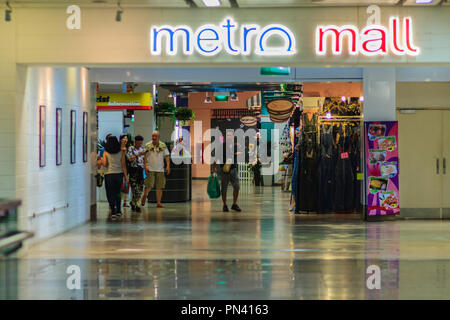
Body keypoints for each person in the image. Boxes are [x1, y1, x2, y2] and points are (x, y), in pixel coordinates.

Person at [97, 135, 128, 220]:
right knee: (118, 193)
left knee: (110, 193)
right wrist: (126, 177)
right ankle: (118, 210)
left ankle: (113, 210)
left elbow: (105, 164)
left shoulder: (106, 152)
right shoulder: (121, 152)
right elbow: (123, 165)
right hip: (119, 174)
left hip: (109, 175)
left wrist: (99, 159)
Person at [213, 131, 242, 212]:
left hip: (233, 169)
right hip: (224, 170)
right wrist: (213, 169)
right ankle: (224, 205)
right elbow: (216, 157)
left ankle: (234, 204)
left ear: (233, 137)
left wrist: (238, 153)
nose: (229, 136)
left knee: (236, 187)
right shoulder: (221, 146)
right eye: (228, 135)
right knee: (224, 188)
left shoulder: (235, 146)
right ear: (226, 137)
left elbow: (241, 153)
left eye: (230, 135)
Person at [141, 131, 170, 208]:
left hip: (160, 169)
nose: (153, 137)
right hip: (150, 168)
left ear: (159, 137)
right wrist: (145, 166)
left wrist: (168, 166)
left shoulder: (163, 145)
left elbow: (167, 156)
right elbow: (144, 157)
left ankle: (158, 202)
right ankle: (145, 195)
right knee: (149, 185)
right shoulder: (148, 145)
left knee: (159, 186)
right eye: (153, 136)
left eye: (155, 136)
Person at [126, 135, 146, 212]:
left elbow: (144, 160)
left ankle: (134, 202)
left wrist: (145, 168)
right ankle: (137, 204)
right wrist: (138, 154)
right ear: (135, 142)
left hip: (140, 170)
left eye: (141, 143)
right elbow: (130, 159)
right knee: (135, 188)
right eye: (138, 143)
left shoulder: (143, 149)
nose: (139, 145)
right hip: (133, 170)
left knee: (140, 187)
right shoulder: (130, 149)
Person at [119, 134, 130, 208]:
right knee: (120, 186)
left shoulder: (128, 149)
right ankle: (118, 201)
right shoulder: (118, 149)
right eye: (123, 138)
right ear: (120, 140)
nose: (125, 140)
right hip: (119, 170)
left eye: (126, 138)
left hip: (128, 169)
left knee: (126, 186)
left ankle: (125, 202)